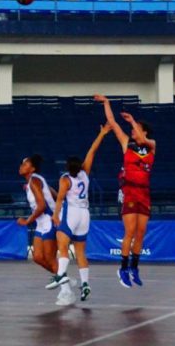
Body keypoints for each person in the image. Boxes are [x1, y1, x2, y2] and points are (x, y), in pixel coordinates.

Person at [94, 94, 156, 288]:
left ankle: (134, 268)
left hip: (144, 193)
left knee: (141, 232)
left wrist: (134, 121)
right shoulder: (126, 143)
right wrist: (106, 103)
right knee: (129, 231)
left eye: (136, 128)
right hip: (129, 191)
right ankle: (122, 268)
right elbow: (112, 122)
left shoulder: (152, 146)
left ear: (143, 131)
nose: (132, 130)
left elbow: (145, 139)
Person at [47, 124, 111, 303]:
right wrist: (102, 134)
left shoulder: (65, 179)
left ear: (68, 167)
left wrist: (55, 215)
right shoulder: (85, 174)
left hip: (72, 212)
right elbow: (92, 150)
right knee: (81, 252)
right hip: (85, 214)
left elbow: (59, 199)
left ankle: (60, 275)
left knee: (62, 245)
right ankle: (85, 284)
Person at [17, 155, 73, 304]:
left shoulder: (34, 181)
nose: (21, 166)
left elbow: (41, 206)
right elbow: (52, 192)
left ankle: (67, 292)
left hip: (48, 220)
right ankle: (64, 278)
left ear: (32, 169)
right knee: (37, 258)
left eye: (25, 164)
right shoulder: (34, 181)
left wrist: (27, 220)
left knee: (49, 258)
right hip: (42, 222)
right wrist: (59, 199)